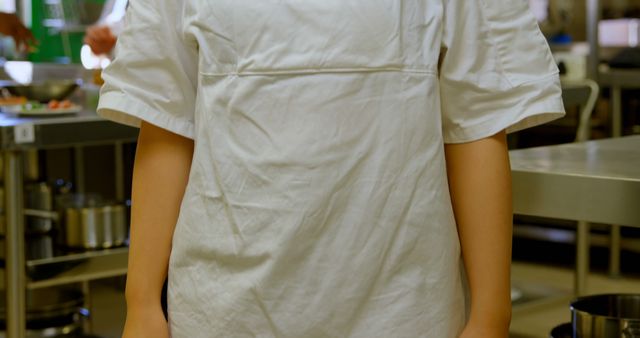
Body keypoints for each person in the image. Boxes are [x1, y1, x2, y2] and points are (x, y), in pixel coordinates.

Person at [97, 0, 565, 337]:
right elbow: (166, 124)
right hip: (223, 309)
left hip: (403, 306)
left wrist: (490, 316)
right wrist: (141, 306)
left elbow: (478, 124)